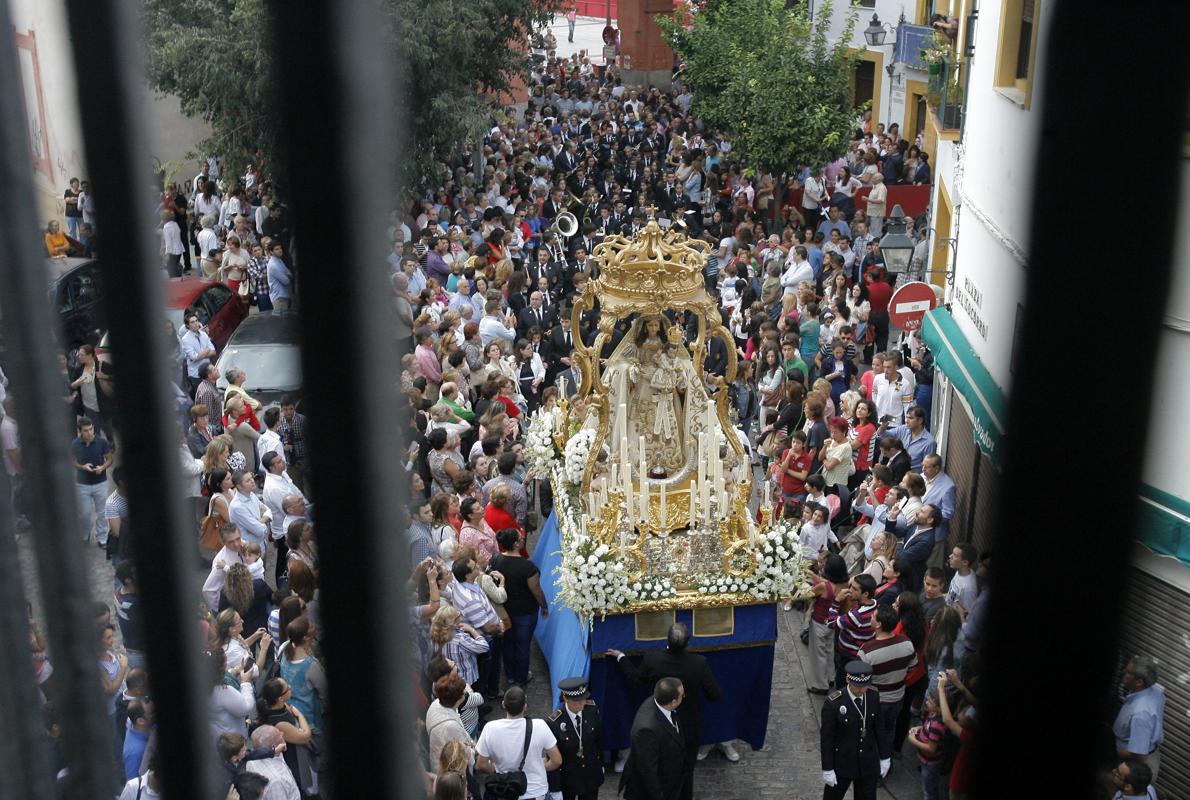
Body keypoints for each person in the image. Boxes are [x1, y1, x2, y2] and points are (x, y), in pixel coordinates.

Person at [607, 621, 728, 793]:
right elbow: (715, 694)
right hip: (689, 726)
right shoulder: (699, 663)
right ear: (688, 642)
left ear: (667, 640)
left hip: (659, 726)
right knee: (686, 771)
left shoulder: (652, 659)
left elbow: (636, 677)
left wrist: (621, 657)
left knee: (661, 769)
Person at [474, 686, 562, 800]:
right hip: (537, 792)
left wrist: (495, 770)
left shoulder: (490, 728)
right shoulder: (540, 726)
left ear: (503, 705)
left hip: (506, 792)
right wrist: (541, 765)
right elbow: (557, 760)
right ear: (525, 706)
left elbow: (481, 765)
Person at [819, 661, 890, 800]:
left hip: (867, 762)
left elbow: (879, 728)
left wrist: (885, 756)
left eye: (865, 686)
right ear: (847, 680)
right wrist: (827, 768)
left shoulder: (872, 696)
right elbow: (827, 738)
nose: (862, 690)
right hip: (842, 762)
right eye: (858, 687)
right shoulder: (834, 703)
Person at [857, 605, 916, 764]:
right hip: (897, 698)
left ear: (879, 625)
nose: (870, 618)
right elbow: (911, 667)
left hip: (876, 701)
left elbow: (860, 679)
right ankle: (885, 761)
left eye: (873, 617)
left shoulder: (867, 651)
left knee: (872, 734)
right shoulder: (907, 643)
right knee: (889, 731)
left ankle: (874, 767)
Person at [490, 527, 547, 689]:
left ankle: (509, 675)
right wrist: (544, 606)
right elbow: (536, 590)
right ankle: (521, 676)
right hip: (525, 612)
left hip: (504, 611)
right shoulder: (527, 567)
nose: (523, 539)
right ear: (516, 544)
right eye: (521, 539)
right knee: (522, 645)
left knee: (508, 642)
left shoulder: (496, 560)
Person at [620, 678, 687, 800]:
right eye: (682, 696)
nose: (684, 697)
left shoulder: (659, 702)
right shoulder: (647, 730)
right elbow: (648, 771)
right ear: (673, 702)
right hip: (657, 789)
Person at [545, 677, 605, 800]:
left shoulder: (591, 710)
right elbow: (551, 755)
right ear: (566, 698)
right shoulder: (554, 722)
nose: (582, 703)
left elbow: (598, 740)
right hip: (568, 777)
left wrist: (600, 764)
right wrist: (555, 787)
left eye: (583, 699)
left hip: (591, 772)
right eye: (576, 701)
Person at [1113, 655, 1165, 783]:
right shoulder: (1156, 691)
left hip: (1134, 764)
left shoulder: (1141, 714)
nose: (1124, 672)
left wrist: (1118, 752)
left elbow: (1140, 756)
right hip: (1146, 751)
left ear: (1139, 682)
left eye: (1128, 672)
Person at [71, 415, 111, 547]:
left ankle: (102, 538)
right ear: (80, 431)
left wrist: (103, 467)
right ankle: (85, 535)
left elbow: (110, 459)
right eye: (85, 430)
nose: (89, 433)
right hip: (82, 484)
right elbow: (72, 461)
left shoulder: (102, 442)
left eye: (91, 429)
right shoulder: (75, 444)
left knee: (102, 512)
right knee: (84, 514)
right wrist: (82, 467)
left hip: (101, 482)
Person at [244, 724, 302, 800]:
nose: (283, 733)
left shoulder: (252, 759)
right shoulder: (276, 781)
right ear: (273, 746)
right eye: (279, 735)